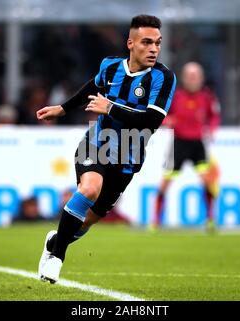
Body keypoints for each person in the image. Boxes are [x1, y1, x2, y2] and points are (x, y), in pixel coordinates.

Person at [36, 14, 176, 284]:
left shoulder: (163, 77)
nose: (153, 49)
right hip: (99, 142)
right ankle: (57, 257)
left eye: (157, 43)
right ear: (130, 43)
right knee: (88, 189)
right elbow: (93, 85)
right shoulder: (111, 67)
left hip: (128, 156)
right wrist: (62, 109)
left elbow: (151, 121)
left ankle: (55, 240)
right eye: (146, 42)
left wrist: (110, 107)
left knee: (87, 220)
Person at [153, 62, 220, 231]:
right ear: (184, 78)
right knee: (165, 183)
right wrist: (167, 121)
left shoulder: (207, 97)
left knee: (208, 182)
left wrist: (211, 129)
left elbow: (214, 116)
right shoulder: (176, 97)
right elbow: (161, 116)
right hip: (178, 145)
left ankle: (211, 219)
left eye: (195, 75)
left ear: (201, 78)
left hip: (198, 145)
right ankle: (155, 221)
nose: (192, 79)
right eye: (189, 75)